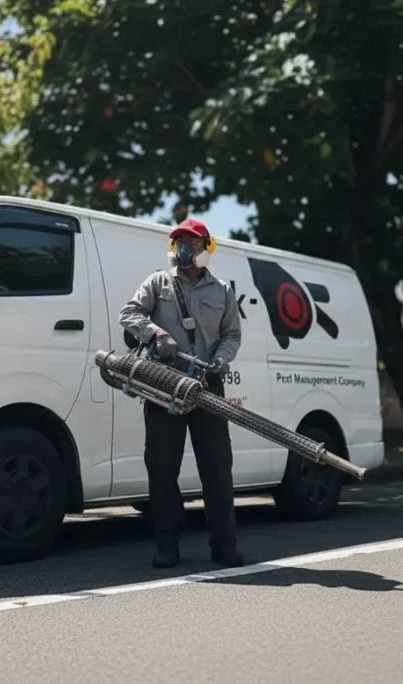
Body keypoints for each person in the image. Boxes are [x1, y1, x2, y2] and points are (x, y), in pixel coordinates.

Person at [119, 218, 245, 569]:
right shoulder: (157, 282)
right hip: (164, 385)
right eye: (178, 243)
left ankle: (224, 547)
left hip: (207, 384)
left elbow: (232, 334)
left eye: (191, 242)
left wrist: (221, 358)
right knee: (162, 469)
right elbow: (128, 314)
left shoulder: (222, 291)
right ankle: (167, 547)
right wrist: (156, 334)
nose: (183, 249)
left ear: (207, 248)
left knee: (218, 468)